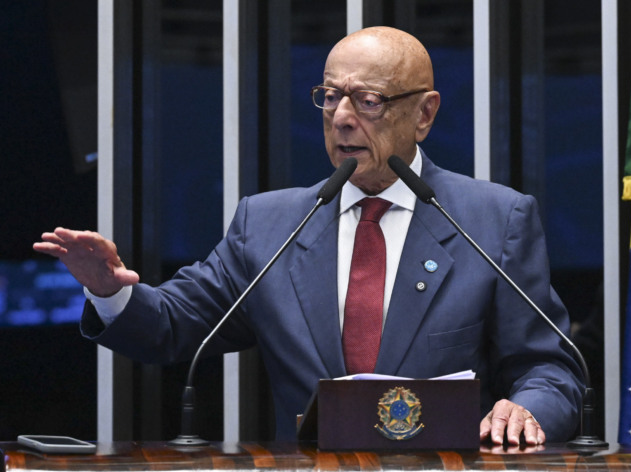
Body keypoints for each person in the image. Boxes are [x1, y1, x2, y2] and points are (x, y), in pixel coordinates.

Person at [34, 26, 583, 446]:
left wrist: (528, 408)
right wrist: (110, 289)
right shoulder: (269, 223)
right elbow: (172, 328)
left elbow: (550, 367)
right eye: (330, 96)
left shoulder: (494, 219)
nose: (342, 117)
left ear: (423, 114)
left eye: (368, 100)